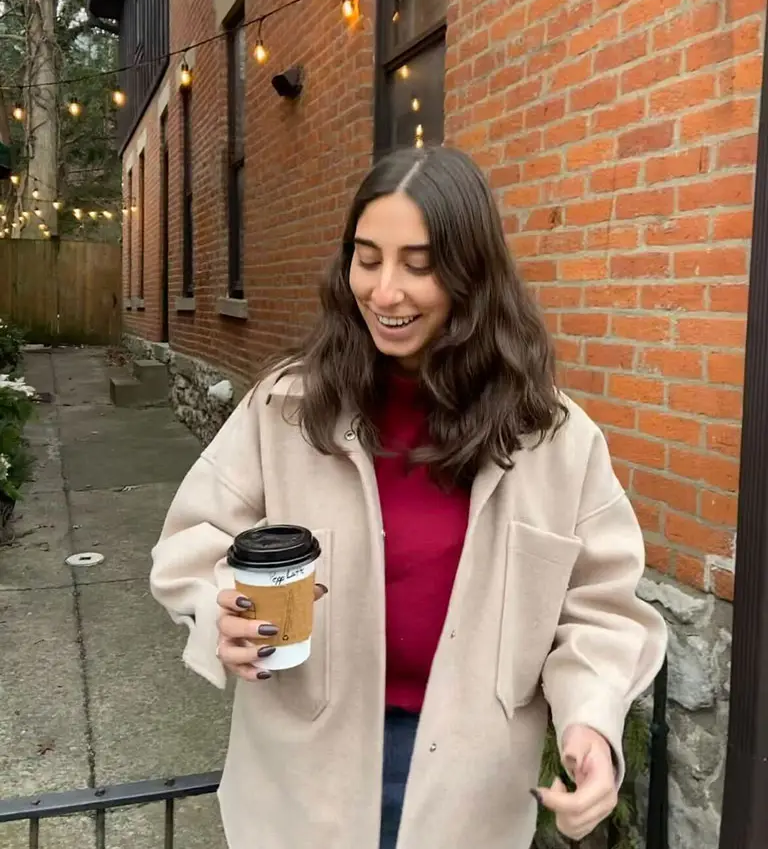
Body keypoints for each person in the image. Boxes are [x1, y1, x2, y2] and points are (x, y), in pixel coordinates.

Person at [150, 145, 667, 849]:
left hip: (473, 795)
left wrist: (589, 723)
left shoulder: (554, 437)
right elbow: (192, 539)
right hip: (301, 786)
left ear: (471, 275)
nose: (385, 292)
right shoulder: (287, 405)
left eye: (418, 266)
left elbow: (601, 610)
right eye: (367, 258)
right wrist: (223, 612)